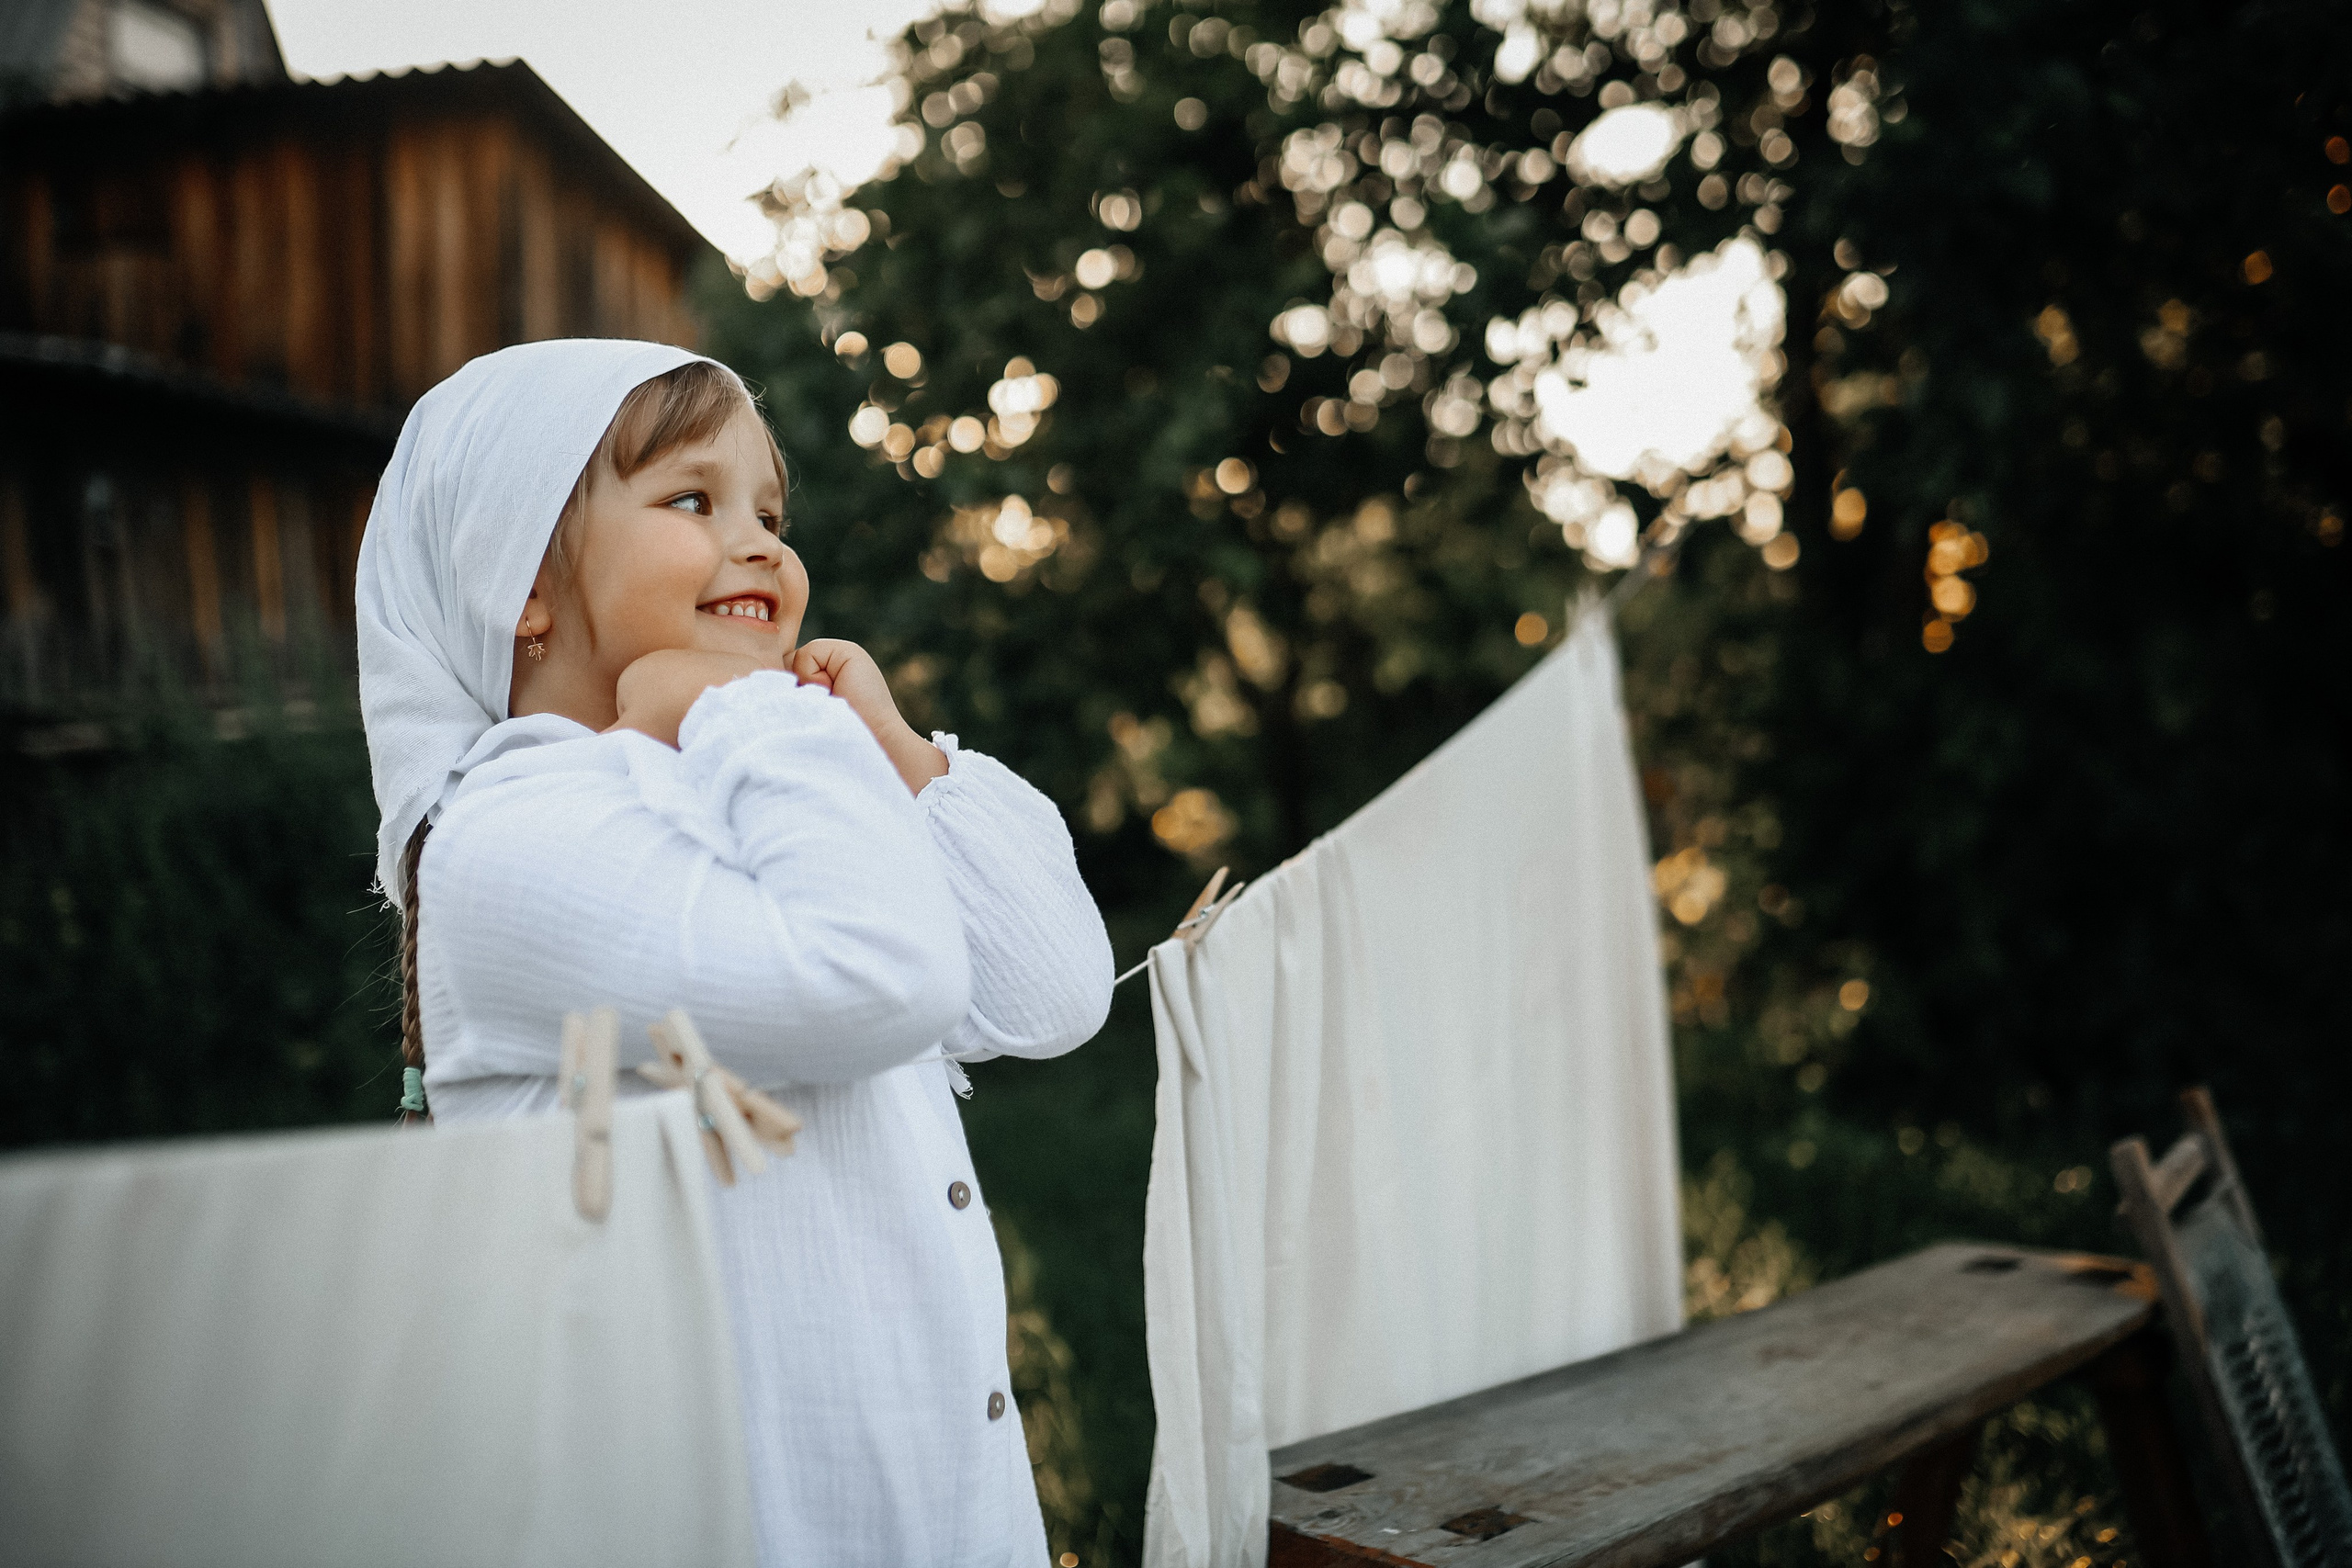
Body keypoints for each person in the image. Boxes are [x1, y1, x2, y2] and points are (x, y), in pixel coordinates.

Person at [356, 338, 1114, 1566]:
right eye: (691, 501)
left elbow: (1053, 989)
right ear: (519, 585)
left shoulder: (760, 790)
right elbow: (886, 975)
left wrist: (894, 745)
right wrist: (742, 705)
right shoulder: (511, 840)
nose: (761, 540)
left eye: (769, 508)